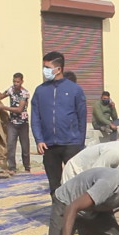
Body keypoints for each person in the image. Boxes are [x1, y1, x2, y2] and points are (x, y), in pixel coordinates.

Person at [32, 51, 87, 199]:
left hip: (71, 144)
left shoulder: (75, 90)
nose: (45, 71)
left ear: (58, 69)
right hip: (49, 146)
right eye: (44, 67)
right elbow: (35, 117)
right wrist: (39, 139)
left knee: (75, 183)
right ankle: (58, 216)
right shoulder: (40, 91)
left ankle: (77, 217)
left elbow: (82, 118)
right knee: (54, 185)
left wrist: (80, 143)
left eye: (47, 67)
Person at [0, 73, 31, 173]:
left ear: (22, 81)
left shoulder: (24, 93)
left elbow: (19, 109)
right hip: (12, 123)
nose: (15, 84)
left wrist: (3, 108)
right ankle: (12, 167)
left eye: (18, 82)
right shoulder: (10, 90)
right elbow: (0, 96)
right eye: (14, 81)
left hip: (23, 123)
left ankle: (27, 167)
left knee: (25, 146)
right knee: (10, 145)